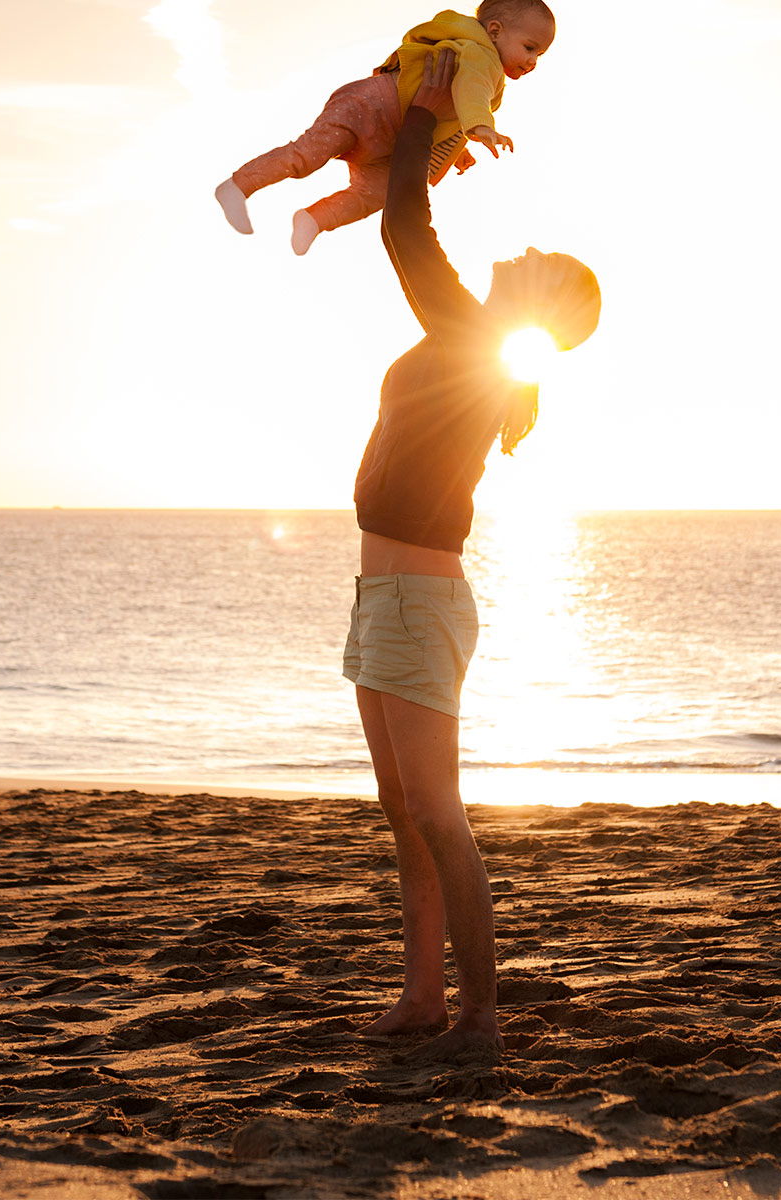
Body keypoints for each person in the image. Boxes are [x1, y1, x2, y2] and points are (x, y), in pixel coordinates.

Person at [343, 46, 600, 1062]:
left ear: (539, 311)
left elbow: (407, 231)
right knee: (402, 813)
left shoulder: (469, 341)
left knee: (438, 817)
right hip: (385, 593)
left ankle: (483, 1016)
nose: (524, 250)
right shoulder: (479, 353)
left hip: (414, 595)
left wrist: (426, 116)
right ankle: (420, 999)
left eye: (539, 264)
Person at [214, 0, 557, 256]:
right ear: (495, 31)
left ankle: (313, 219)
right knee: (305, 156)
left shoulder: (479, 62)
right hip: (368, 107)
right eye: (530, 48)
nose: (533, 62)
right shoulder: (481, 57)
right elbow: (471, 91)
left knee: (377, 194)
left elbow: (449, 106)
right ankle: (237, 186)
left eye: (540, 55)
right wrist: (482, 126)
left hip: (389, 139)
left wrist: (457, 151)